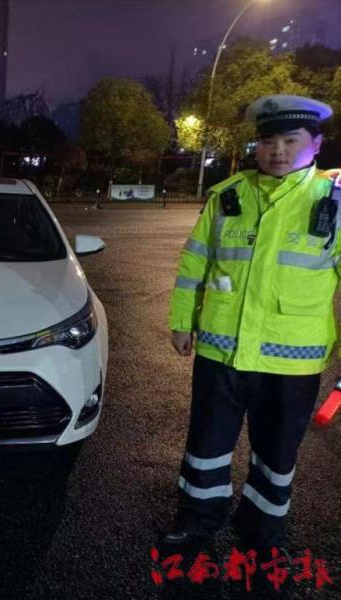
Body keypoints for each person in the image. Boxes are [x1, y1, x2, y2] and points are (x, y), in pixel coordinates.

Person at [163, 95, 339, 555]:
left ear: (316, 144)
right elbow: (195, 263)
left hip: (292, 362)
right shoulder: (229, 195)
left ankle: (263, 529)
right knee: (206, 444)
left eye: (290, 140)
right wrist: (182, 321)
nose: (277, 150)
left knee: (277, 452)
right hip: (220, 353)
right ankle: (198, 518)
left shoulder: (333, 202)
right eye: (267, 141)